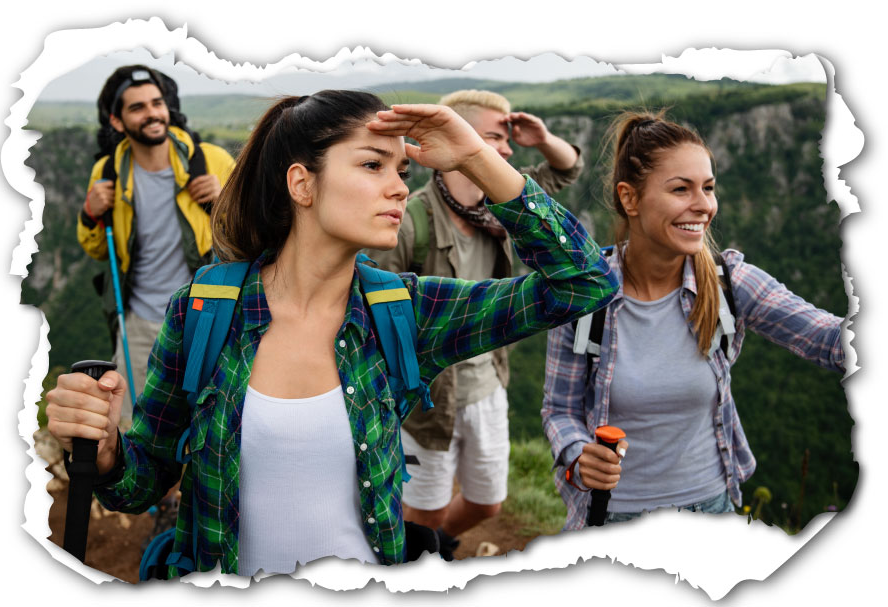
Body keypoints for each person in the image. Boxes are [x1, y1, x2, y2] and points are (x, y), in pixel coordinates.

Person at [46, 90, 618, 576]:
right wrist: (106, 451)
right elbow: (140, 484)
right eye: (373, 165)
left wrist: (473, 156)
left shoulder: (405, 311)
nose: (398, 187)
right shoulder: (203, 311)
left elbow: (585, 282)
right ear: (302, 183)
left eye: (402, 171)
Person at [541, 111, 846, 529]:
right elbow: (559, 408)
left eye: (708, 188)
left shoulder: (729, 284)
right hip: (611, 518)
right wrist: (578, 456)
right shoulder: (582, 295)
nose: (704, 205)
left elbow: (829, 340)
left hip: (712, 512)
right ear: (629, 198)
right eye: (681, 189)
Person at [364, 89, 584, 546]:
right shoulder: (411, 220)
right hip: (428, 399)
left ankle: (432, 550)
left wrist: (540, 138)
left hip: (487, 384)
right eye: (491, 138)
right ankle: (418, 565)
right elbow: (373, 314)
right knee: (424, 510)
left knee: (487, 503)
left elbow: (567, 169)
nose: (504, 150)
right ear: (453, 141)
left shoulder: (500, 203)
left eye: (505, 142)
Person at [77, 64, 236, 426]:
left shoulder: (211, 161)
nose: (152, 113)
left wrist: (221, 200)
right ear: (117, 122)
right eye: (138, 107)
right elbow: (98, 249)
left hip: (205, 317)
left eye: (156, 103)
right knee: (131, 426)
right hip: (138, 323)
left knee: (211, 422)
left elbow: (248, 237)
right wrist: (90, 213)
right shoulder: (107, 171)